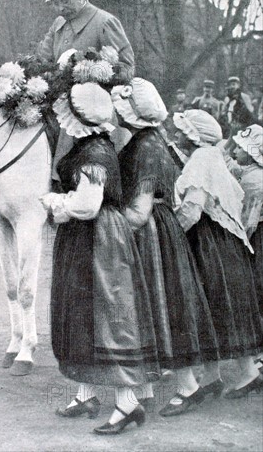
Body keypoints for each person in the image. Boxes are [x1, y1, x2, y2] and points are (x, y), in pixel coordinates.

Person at [40, 82, 160, 435]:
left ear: (78, 118)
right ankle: (87, 393)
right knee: (82, 311)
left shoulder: (95, 152)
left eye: (66, 115)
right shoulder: (90, 145)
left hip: (98, 239)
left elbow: (87, 205)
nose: (62, 122)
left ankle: (127, 404)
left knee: (108, 312)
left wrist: (55, 204)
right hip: (86, 239)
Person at [111, 79, 218, 417]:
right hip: (161, 229)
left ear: (132, 113)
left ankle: (189, 388)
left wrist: (106, 221)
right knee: (156, 307)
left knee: (163, 305)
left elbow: (139, 212)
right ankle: (146, 387)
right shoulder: (151, 140)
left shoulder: (145, 149)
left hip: (152, 234)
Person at [173, 110, 263, 399]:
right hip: (219, 241)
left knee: (220, 305)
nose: (176, 135)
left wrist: (171, 235)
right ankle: (213, 375)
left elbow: (192, 207)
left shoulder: (201, 159)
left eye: (181, 130)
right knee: (216, 307)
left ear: (193, 135)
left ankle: (248, 374)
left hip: (211, 242)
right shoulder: (209, 156)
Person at [37, 0, 135, 187]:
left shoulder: (105, 22)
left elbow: (127, 69)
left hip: (94, 115)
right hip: (57, 104)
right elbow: (42, 60)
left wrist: (88, 70)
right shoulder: (58, 24)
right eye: (55, 3)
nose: (60, 8)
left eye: (65, 1)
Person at [231, 124, 263, 317]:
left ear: (251, 154)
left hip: (257, 236)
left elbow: (248, 221)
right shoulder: (251, 174)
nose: (235, 151)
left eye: (240, 148)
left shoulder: (254, 180)